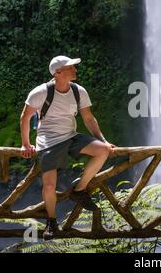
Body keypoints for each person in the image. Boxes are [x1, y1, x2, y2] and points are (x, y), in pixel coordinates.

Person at [19, 55, 116, 240]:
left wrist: (103, 140)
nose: (75, 69)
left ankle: (79, 190)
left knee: (102, 151)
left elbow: (88, 118)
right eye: (71, 67)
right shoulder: (40, 92)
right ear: (58, 72)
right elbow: (25, 116)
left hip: (71, 136)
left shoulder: (78, 91)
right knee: (49, 185)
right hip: (49, 141)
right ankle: (52, 222)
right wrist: (26, 143)